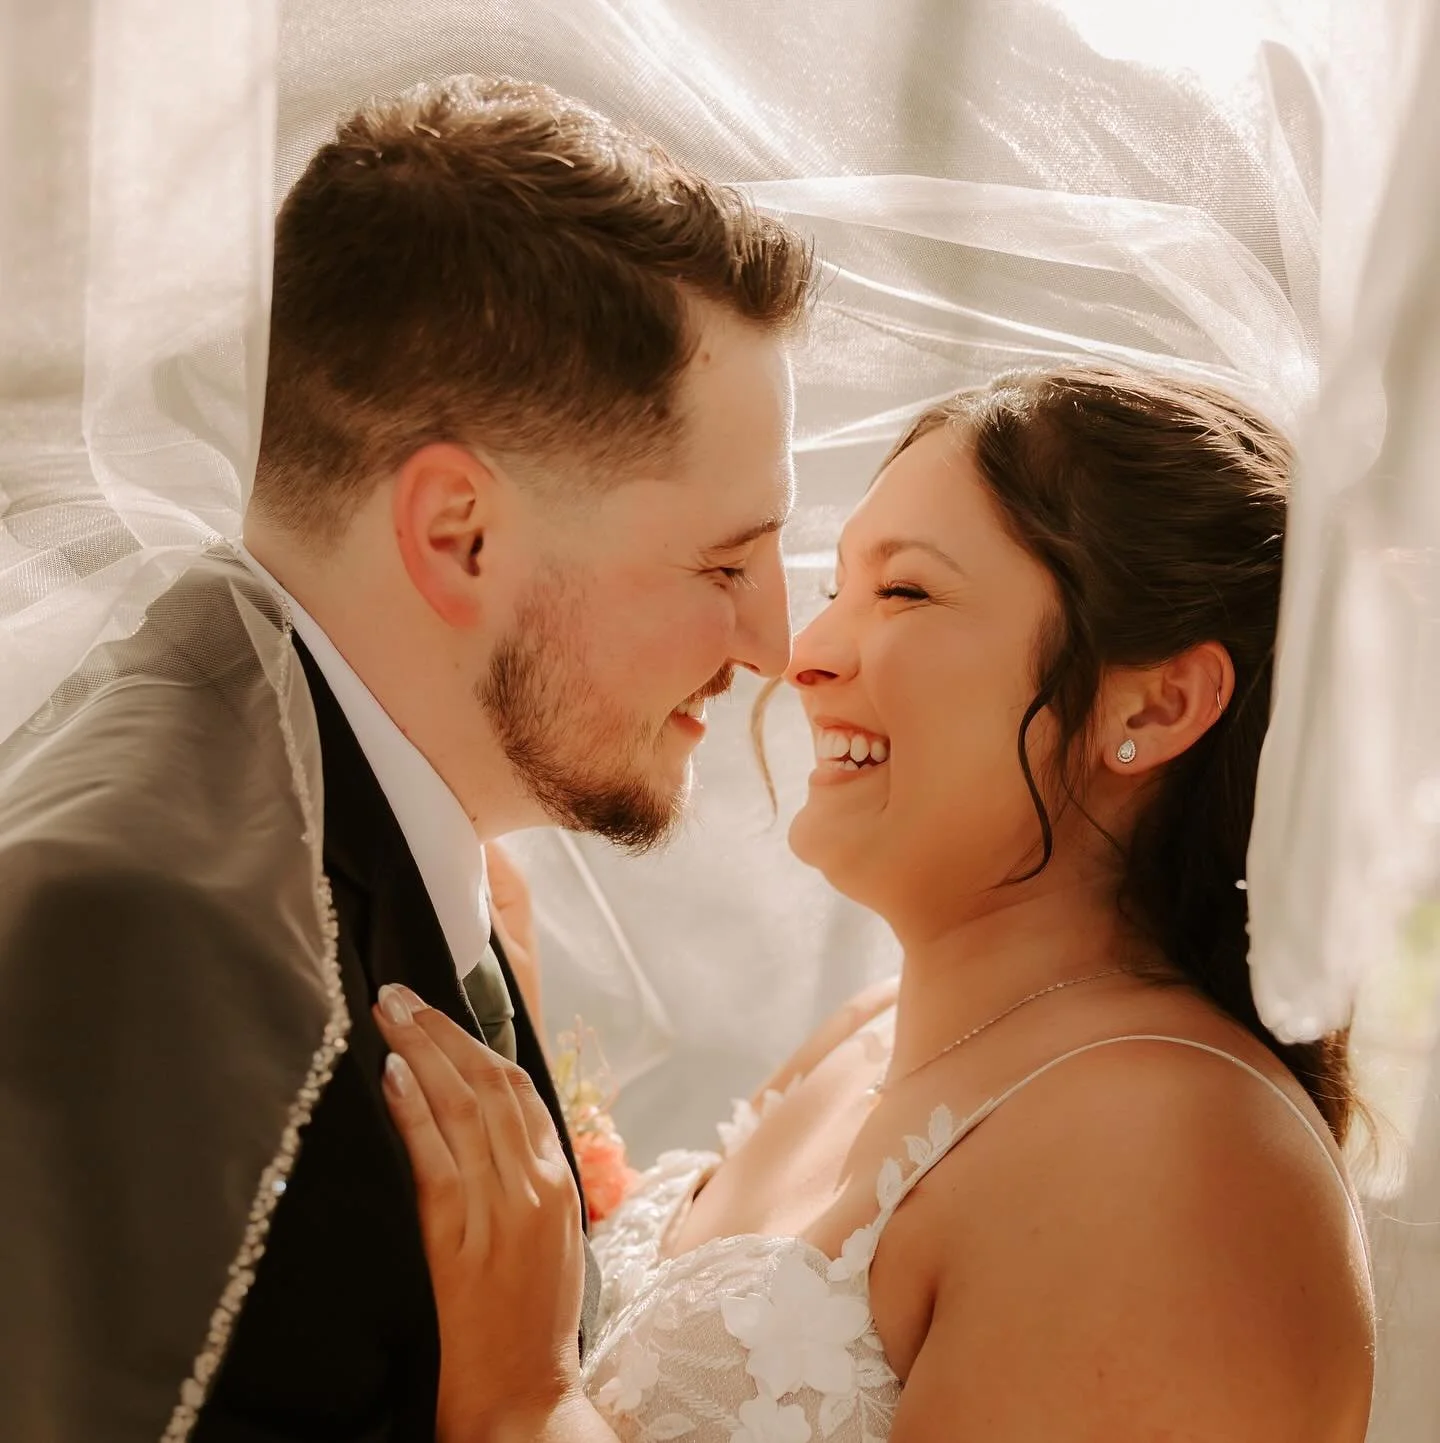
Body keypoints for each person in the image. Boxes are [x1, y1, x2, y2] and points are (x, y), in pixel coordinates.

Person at [0, 74, 813, 1443]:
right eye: (723, 559)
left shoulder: (326, 810)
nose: (776, 640)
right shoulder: (152, 926)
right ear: (458, 534)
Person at [377, 366, 1378, 1442]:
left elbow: (546, 1387)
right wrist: (511, 1097)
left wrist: (516, 1399)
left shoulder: (1180, 1158)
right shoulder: (870, 1038)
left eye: (904, 592)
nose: (802, 656)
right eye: (839, 589)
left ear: (1159, 702)